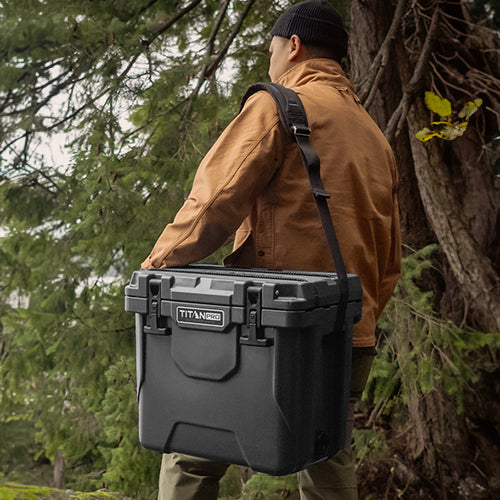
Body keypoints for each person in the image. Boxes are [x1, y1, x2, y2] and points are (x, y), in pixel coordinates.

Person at [141, 1, 401, 498]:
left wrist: (152, 272)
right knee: (327, 456)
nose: (270, 61)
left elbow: (214, 202)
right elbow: (389, 259)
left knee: (194, 447)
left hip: (275, 332)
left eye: (272, 49)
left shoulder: (281, 105)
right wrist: (357, 319)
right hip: (350, 333)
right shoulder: (374, 136)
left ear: (294, 47)